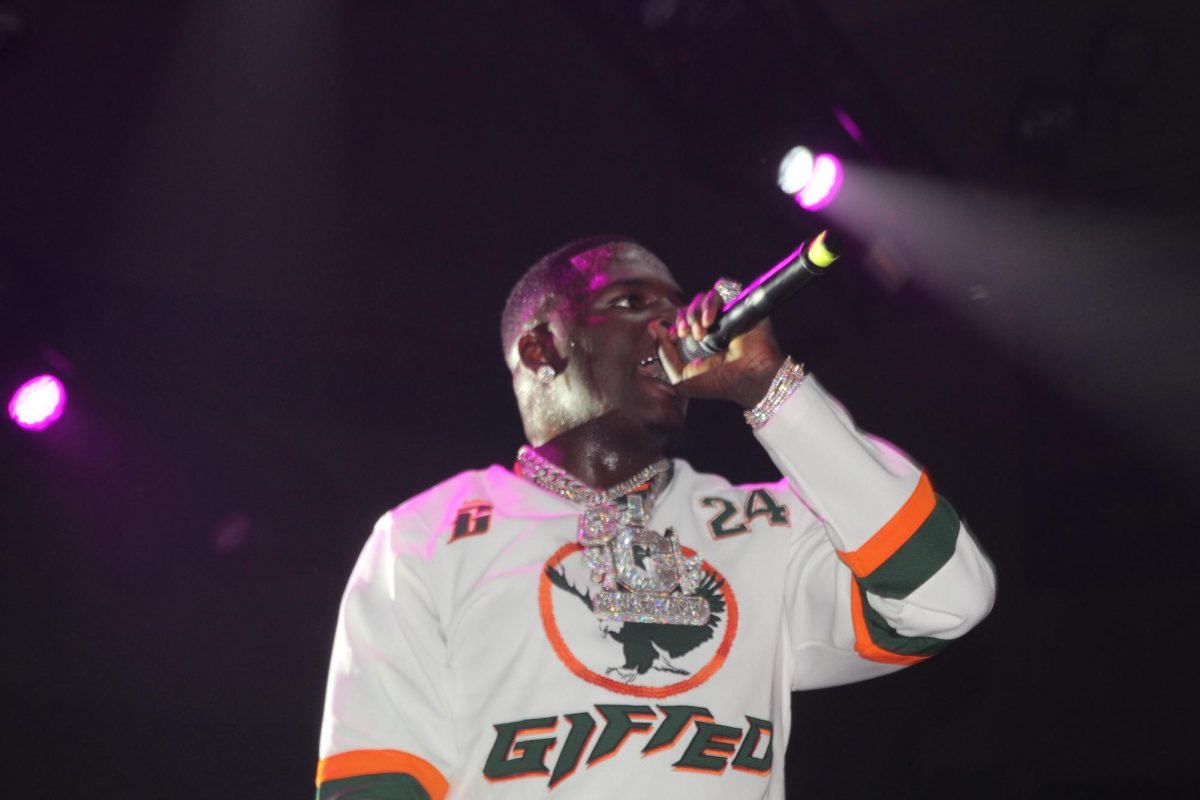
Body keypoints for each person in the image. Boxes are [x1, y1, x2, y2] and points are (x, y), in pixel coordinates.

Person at [315, 236, 996, 799]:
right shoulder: (426, 538)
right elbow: (377, 784)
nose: (673, 325)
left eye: (677, 306)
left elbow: (948, 597)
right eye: (631, 302)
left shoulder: (762, 528)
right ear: (542, 349)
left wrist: (774, 391)